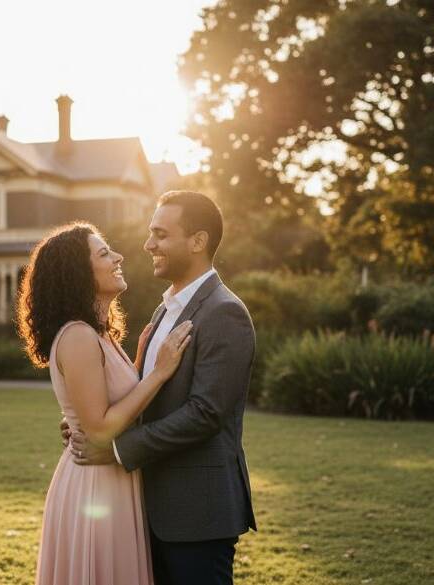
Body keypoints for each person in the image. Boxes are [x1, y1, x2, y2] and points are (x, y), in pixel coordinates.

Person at [68, 190, 257, 585]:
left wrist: (116, 450)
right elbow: (148, 397)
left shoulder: (225, 313)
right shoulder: (165, 309)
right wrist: (89, 421)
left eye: (160, 234)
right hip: (149, 507)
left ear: (198, 241)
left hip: (197, 513)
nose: (148, 244)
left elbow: (204, 414)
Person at [17, 221, 193, 585]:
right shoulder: (78, 336)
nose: (118, 256)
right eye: (103, 253)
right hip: (94, 484)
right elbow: (99, 430)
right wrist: (158, 373)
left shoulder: (98, 334)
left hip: (112, 478)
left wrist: (141, 361)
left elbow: (105, 405)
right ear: (79, 274)